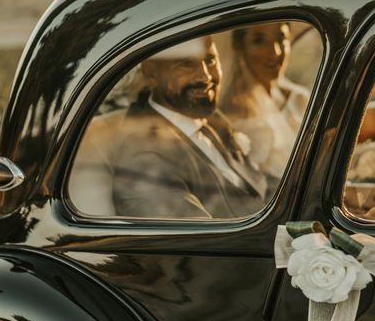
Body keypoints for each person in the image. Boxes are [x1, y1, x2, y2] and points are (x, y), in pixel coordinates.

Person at [109, 36, 267, 219]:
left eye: (210, 60)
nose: (205, 76)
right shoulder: (144, 158)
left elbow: (258, 185)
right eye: (185, 64)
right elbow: (202, 243)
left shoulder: (212, 119)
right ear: (151, 72)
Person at [220, 22, 310, 178]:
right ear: (240, 48)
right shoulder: (232, 113)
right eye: (259, 41)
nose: (275, 52)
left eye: (281, 38)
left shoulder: (300, 97)